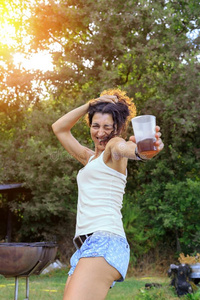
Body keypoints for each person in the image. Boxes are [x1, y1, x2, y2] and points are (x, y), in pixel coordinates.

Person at [52, 88, 164, 300]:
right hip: (86, 246)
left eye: (107, 127)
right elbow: (59, 128)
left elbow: (126, 148)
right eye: (95, 126)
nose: (100, 132)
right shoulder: (89, 158)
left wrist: (142, 151)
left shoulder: (113, 148)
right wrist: (90, 104)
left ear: (116, 129)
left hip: (105, 240)